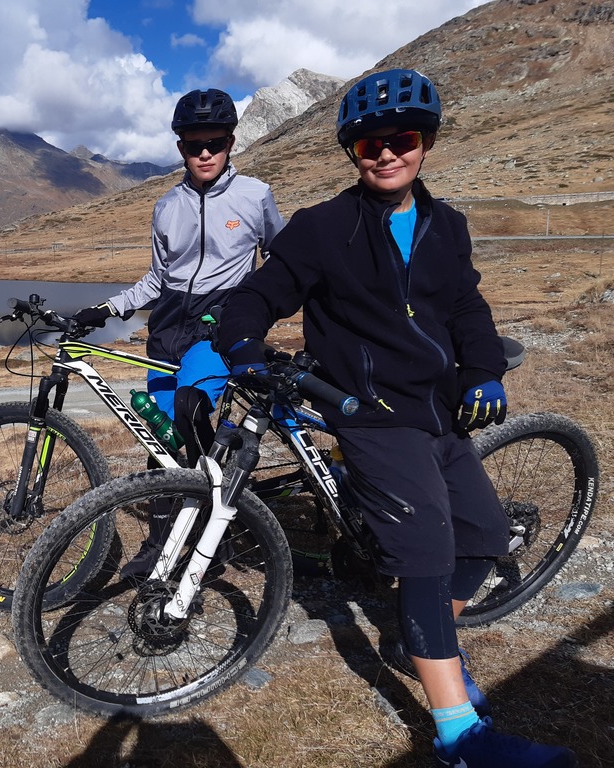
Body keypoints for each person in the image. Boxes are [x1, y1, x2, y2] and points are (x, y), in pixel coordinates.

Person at [217, 69, 576, 767]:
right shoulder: (322, 228)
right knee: (425, 556)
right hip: (370, 415)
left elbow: (467, 308)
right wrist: (237, 344)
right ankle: (458, 737)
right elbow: (260, 294)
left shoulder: (449, 226)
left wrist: (485, 371)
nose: (386, 154)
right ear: (353, 152)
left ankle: (424, 640)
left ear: (425, 143)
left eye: (401, 139)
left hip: (440, 412)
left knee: (483, 540)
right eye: (369, 144)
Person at [72, 88, 285, 577]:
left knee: (192, 409)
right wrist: (103, 309)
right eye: (194, 144)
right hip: (167, 326)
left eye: (215, 142)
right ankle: (159, 545)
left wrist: (252, 306)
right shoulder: (167, 206)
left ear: (231, 142)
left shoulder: (256, 195)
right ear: (180, 149)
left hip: (219, 326)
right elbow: (156, 279)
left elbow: (282, 260)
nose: (205, 152)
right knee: (162, 440)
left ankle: (215, 539)